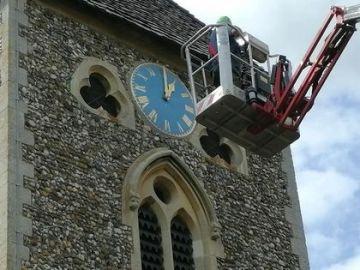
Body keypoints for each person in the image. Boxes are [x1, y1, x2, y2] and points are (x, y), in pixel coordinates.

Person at [208, 16, 248, 87]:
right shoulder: (222, 30)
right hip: (229, 68)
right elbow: (235, 30)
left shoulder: (213, 37)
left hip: (217, 68)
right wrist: (237, 32)